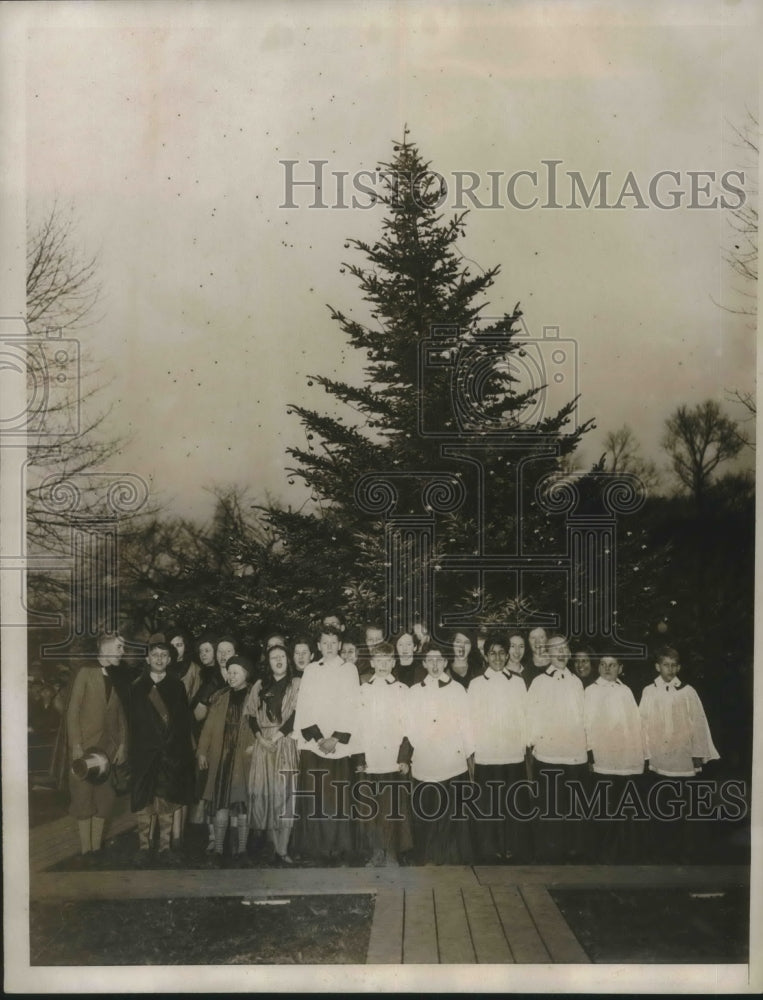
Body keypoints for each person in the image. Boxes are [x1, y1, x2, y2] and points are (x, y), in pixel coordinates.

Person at [638, 646, 719, 861]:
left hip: (682, 759)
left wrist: (698, 754)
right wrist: (646, 755)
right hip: (659, 759)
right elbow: (643, 725)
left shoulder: (688, 691)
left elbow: (699, 724)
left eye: (674, 665)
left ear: (679, 667)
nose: (670, 669)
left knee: (683, 805)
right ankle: (661, 852)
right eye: (666, 665)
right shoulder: (649, 691)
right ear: (658, 666)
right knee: (660, 805)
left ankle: (684, 852)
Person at [292, 625, 360, 863]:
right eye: (325, 643)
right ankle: (314, 850)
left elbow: (352, 707)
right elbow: (305, 708)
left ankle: (338, 849)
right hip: (315, 743)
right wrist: (319, 738)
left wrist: (335, 739)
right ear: (318, 646)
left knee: (336, 797)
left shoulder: (349, 670)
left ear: (340, 644)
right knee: (315, 796)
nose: (330, 647)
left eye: (334, 642)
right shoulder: (311, 670)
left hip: (338, 745)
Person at [406, 642, 475, 865]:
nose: (435, 665)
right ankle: (427, 855)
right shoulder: (415, 692)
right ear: (424, 663)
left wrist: (463, 751)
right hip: (426, 759)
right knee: (428, 809)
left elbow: (466, 724)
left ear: (446, 662)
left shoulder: (457, 690)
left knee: (451, 811)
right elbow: (410, 725)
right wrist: (423, 744)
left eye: (439, 660)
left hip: (452, 760)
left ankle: (451, 857)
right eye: (430, 660)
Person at [129, 634, 196, 866]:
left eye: (164, 656)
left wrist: (180, 752)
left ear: (170, 660)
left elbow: (183, 722)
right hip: (144, 755)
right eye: (155, 655)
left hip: (170, 754)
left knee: (167, 799)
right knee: (144, 801)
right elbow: (132, 724)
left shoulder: (177, 686)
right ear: (148, 658)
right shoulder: (137, 686)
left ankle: (165, 847)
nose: (159, 659)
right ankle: (144, 847)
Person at [467, 632, 530, 862]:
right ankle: (489, 849)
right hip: (487, 754)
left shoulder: (518, 682)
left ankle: (512, 847)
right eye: (492, 653)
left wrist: (523, 744)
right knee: (489, 804)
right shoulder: (476, 684)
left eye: (502, 653)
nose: (497, 657)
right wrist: (473, 749)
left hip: (512, 753)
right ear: (485, 655)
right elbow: (470, 719)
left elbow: (525, 716)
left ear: (507, 655)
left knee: (512, 803)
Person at [66, 633, 128, 862]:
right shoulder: (85, 673)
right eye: (119, 647)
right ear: (105, 648)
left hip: (108, 750)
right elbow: (73, 712)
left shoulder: (118, 677)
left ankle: (96, 849)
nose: (122, 652)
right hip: (85, 749)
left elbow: (121, 715)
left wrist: (122, 744)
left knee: (106, 798)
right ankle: (85, 852)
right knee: (83, 797)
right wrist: (76, 745)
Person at [527, 633, 587, 862]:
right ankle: (550, 851)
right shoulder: (540, 682)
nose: (561, 653)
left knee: (573, 805)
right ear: (548, 654)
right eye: (555, 649)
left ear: (569, 653)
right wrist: (535, 743)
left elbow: (583, 717)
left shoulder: (576, 682)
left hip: (574, 755)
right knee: (550, 806)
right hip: (548, 755)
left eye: (564, 649)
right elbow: (530, 715)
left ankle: (574, 851)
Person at [355, 642, 413, 867]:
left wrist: (403, 758)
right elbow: (357, 726)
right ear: (371, 662)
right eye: (378, 660)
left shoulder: (402, 690)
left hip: (392, 760)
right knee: (371, 808)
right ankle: (376, 852)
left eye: (387, 660)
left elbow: (408, 727)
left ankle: (391, 853)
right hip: (370, 759)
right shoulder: (362, 690)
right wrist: (360, 758)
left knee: (392, 809)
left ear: (393, 662)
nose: (383, 665)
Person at [584, 653, 646, 862]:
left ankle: (625, 854)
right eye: (603, 664)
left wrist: (638, 755)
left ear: (620, 668)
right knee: (604, 808)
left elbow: (634, 725)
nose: (607, 668)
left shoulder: (626, 691)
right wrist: (590, 753)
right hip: (603, 760)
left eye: (612, 665)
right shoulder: (591, 691)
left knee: (625, 807)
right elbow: (587, 725)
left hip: (625, 760)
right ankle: (603, 854)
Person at [197, 655, 256, 865]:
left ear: (246, 675)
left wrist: (255, 747)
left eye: (235, 672)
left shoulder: (255, 697)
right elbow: (208, 727)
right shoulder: (221, 697)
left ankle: (241, 850)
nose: (231, 676)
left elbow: (261, 727)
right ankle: (219, 849)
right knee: (220, 802)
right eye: (229, 672)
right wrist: (202, 751)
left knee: (242, 804)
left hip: (244, 759)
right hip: (221, 757)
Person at [245, 644, 301, 865]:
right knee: (264, 794)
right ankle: (271, 847)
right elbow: (250, 715)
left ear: (288, 660)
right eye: (273, 658)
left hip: (284, 742)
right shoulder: (259, 685)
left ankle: (283, 849)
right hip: (263, 744)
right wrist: (260, 739)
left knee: (285, 795)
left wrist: (276, 738)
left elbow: (297, 714)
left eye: (282, 657)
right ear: (267, 663)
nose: (278, 661)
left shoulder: (296, 684)